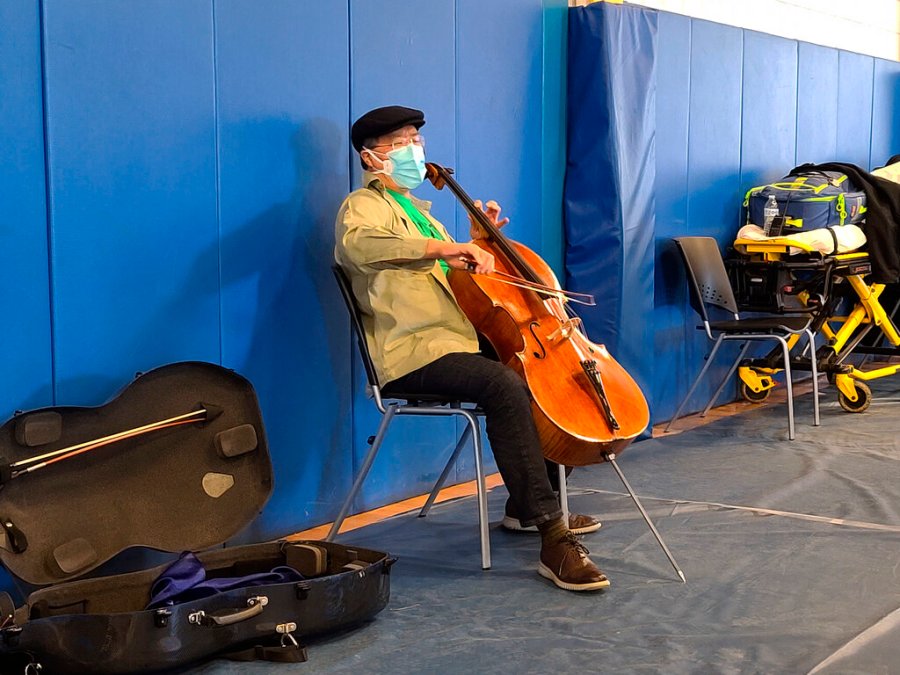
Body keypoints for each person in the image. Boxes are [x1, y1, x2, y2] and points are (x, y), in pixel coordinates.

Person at [334, 105, 608, 591]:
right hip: (411, 355)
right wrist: (446, 250)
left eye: (416, 139)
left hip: (454, 345)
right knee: (501, 383)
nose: (415, 149)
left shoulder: (422, 216)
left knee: (528, 374)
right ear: (372, 157)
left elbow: (463, 285)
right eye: (401, 143)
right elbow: (360, 248)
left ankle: (525, 508)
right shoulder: (364, 206)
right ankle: (552, 535)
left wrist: (480, 239)